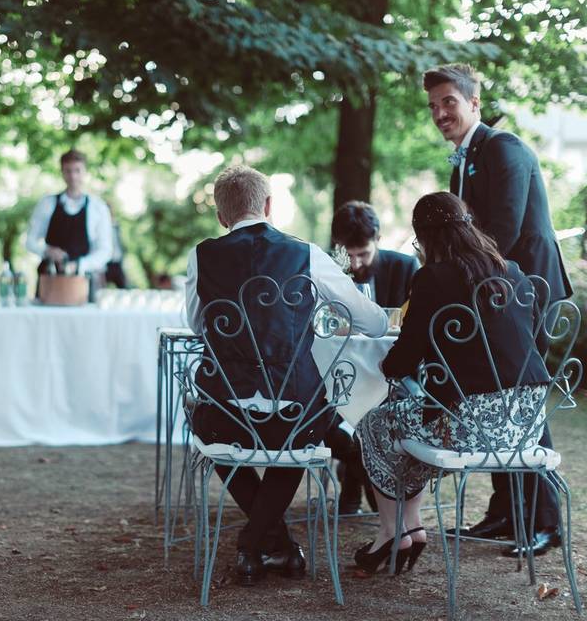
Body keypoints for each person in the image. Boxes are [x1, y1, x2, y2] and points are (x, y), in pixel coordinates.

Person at [185, 165, 387, 585]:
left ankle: (259, 544)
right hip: (291, 411)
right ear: (270, 206)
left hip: (229, 411)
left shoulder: (202, 255)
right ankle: (264, 543)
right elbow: (374, 324)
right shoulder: (306, 254)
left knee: (210, 432)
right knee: (302, 431)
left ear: (222, 217)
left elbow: (195, 324)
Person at [355, 192, 551, 574]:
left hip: (471, 428)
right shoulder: (514, 271)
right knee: (410, 420)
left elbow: (402, 362)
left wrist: (384, 360)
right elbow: (535, 345)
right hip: (529, 425)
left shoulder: (432, 278)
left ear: (426, 239)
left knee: (374, 424)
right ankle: (411, 526)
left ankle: (393, 532)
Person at [424, 63, 571, 556]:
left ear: (473, 103)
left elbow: (503, 232)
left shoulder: (503, 149)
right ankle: (505, 513)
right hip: (493, 296)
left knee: (522, 395)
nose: (440, 112)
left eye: (448, 101)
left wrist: (456, 283)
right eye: (433, 106)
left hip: (526, 292)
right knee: (496, 392)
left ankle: (546, 521)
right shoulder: (462, 161)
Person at [329, 200, 419, 514]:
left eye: (363, 254)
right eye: (348, 255)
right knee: (323, 416)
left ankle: (356, 475)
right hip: (338, 375)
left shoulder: (405, 268)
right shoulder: (329, 271)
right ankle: (359, 466)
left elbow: (415, 328)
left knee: (393, 411)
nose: (354, 264)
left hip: (391, 376)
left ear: (378, 240)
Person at [25, 149, 113, 285]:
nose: (73, 176)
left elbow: (105, 250)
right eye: (68, 171)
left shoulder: (98, 207)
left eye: (77, 170)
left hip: (83, 281)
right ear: (62, 172)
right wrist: (47, 250)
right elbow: (30, 241)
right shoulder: (47, 203)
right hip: (50, 278)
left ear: (85, 172)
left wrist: (79, 265)